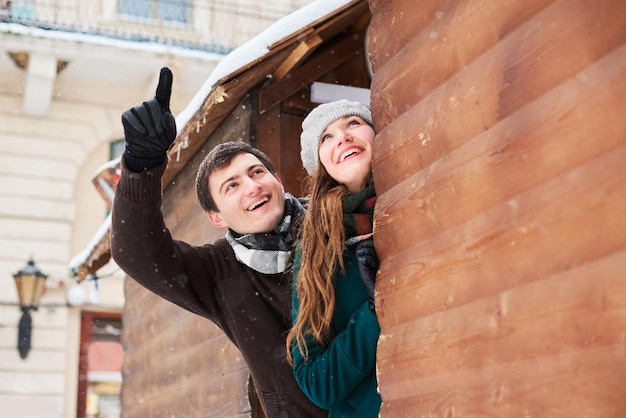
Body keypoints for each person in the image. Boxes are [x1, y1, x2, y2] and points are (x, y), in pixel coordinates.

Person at [111, 67, 327, 418]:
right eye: (232, 186)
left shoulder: (330, 223)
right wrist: (142, 164)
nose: (252, 186)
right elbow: (136, 251)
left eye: (256, 173)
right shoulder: (218, 272)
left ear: (278, 180)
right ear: (217, 218)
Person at [286, 99, 382, 417]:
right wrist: (373, 311)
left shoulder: (420, 200)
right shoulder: (316, 249)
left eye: (353, 123)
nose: (342, 136)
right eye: (326, 137)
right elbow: (318, 384)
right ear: (321, 164)